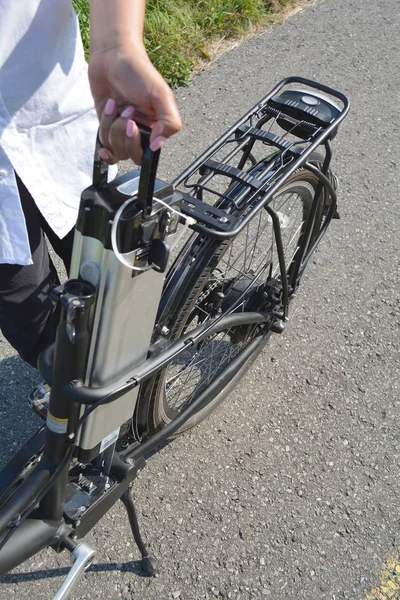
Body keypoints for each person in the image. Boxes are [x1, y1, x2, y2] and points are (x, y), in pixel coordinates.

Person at [0, 0, 182, 368]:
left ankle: (130, 389)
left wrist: (116, 43)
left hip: (52, 117)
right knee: (37, 333)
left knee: (119, 282)